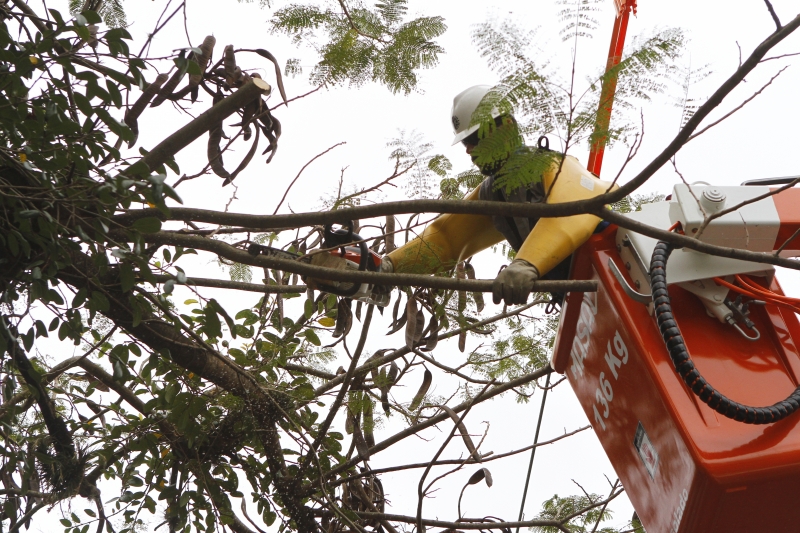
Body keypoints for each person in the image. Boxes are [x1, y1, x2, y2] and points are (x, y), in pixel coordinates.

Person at [380, 85, 618, 306]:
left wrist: (527, 263)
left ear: (506, 128)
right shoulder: (494, 192)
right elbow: (446, 239)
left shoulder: (547, 164)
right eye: (466, 142)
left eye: (475, 139)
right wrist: (388, 266)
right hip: (586, 299)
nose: (469, 150)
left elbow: (576, 206)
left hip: (619, 269)